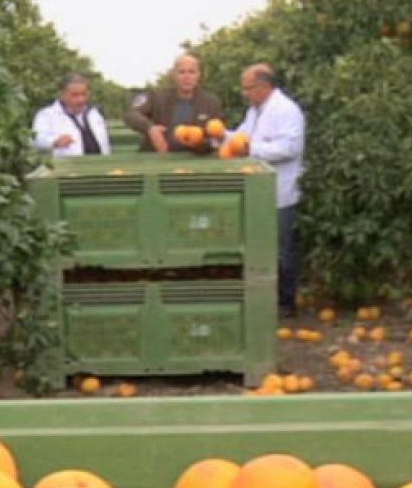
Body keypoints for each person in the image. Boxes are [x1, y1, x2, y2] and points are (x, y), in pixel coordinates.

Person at [225, 63, 306, 316]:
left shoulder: (287, 111)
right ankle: (266, 301)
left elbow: (289, 148)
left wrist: (252, 150)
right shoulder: (255, 112)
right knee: (261, 249)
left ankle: (287, 303)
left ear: (264, 86)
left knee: (283, 251)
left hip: (280, 192)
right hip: (258, 192)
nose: (245, 93)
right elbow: (241, 137)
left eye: (248, 88)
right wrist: (217, 136)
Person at [123, 54, 223, 155]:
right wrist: (150, 128)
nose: (187, 77)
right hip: (157, 160)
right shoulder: (157, 97)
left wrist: (200, 143)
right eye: (181, 72)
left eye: (192, 72)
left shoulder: (211, 102)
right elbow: (131, 114)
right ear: (174, 75)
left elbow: (217, 139)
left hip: (194, 161)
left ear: (199, 75)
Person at [31, 73, 111, 157]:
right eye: (75, 95)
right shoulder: (47, 115)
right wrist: (54, 141)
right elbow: (35, 139)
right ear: (62, 94)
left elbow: (104, 144)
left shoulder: (94, 113)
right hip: (66, 167)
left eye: (84, 94)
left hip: (99, 165)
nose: (81, 99)